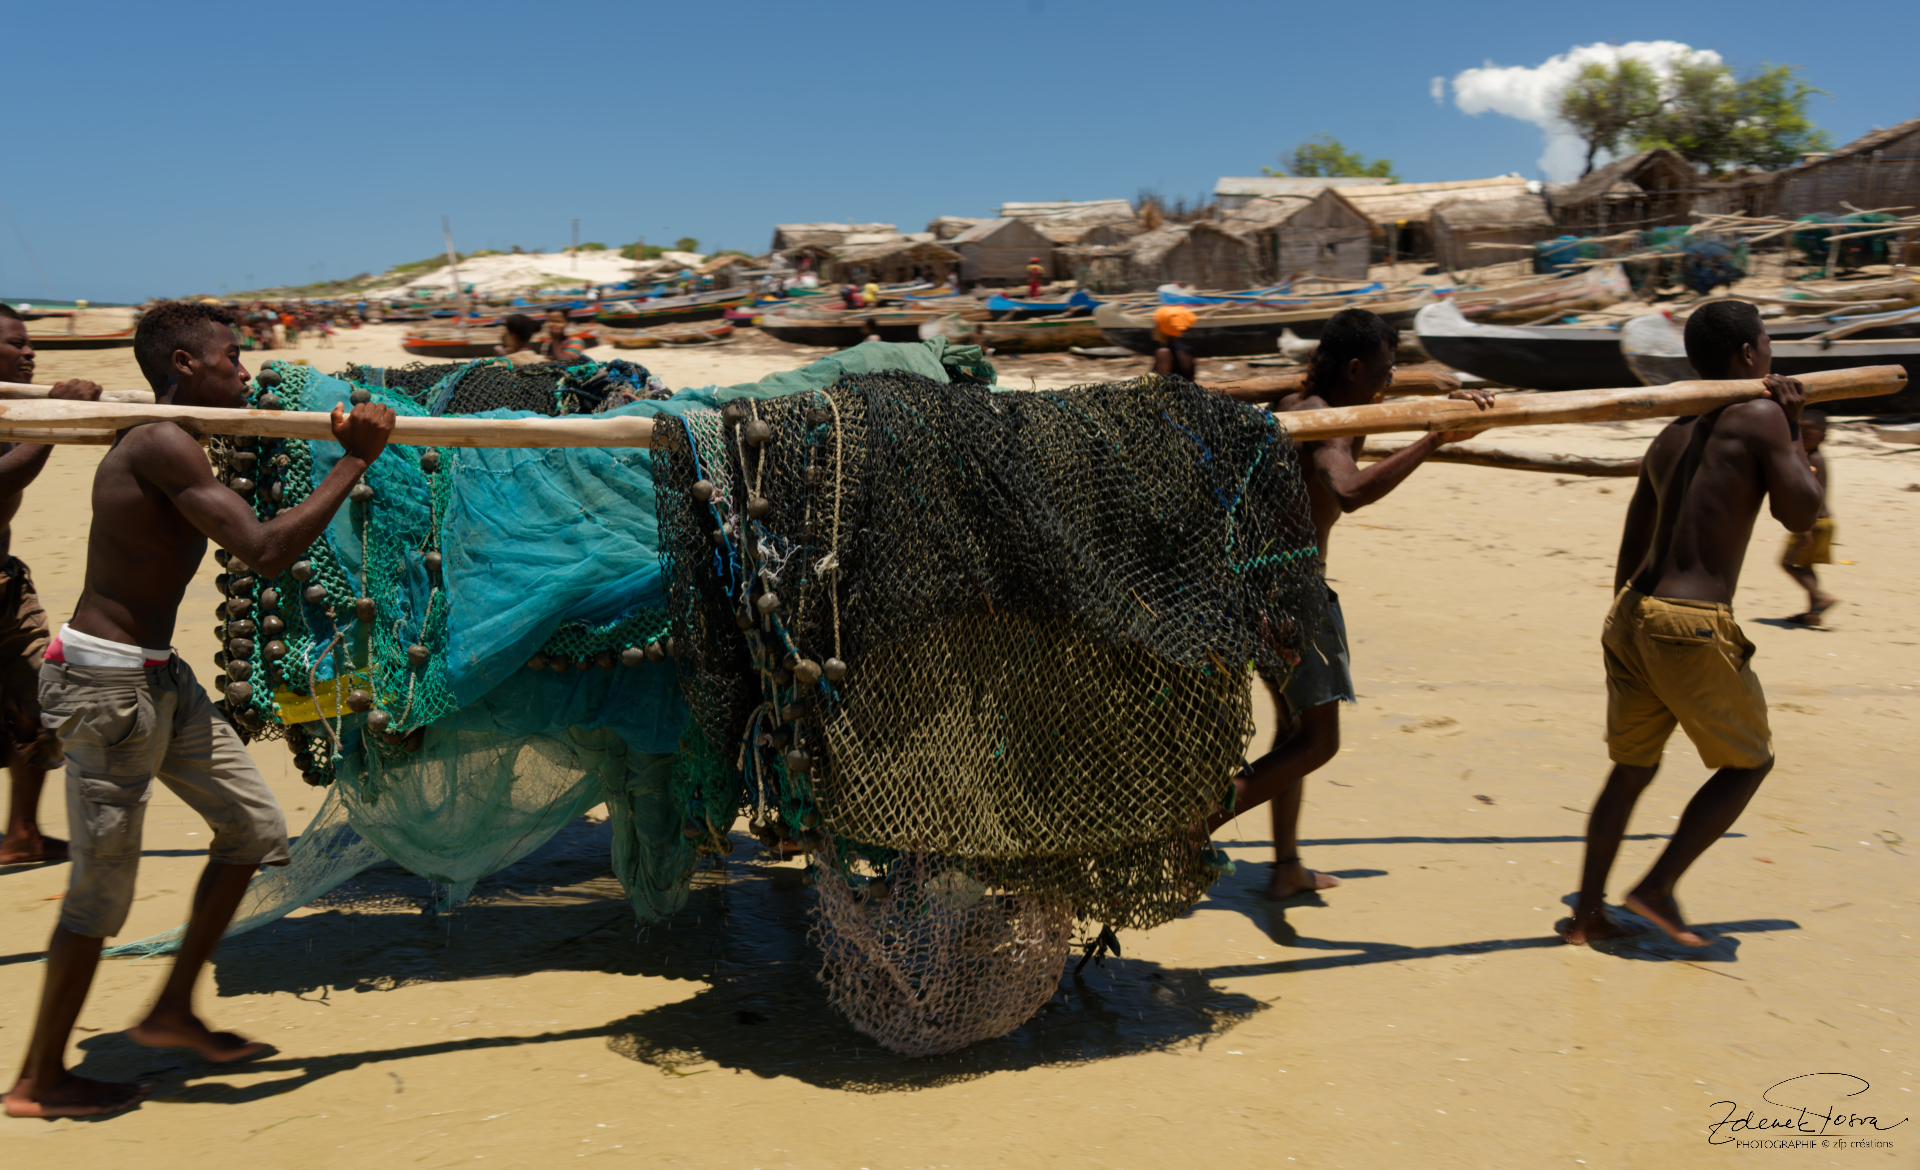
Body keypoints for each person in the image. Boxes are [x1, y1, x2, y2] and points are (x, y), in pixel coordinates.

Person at [3, 302, 394, 1118]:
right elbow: (264, 550)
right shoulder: (161, 443)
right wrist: (352, 461)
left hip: (158, 677)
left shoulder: (167, 432)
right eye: (233, 359)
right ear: (183, 364)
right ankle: (38, 1080)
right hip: (106, 687)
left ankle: (172, 1010)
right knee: (99, 896)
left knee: (254, 829)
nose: (245, 374)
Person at [1205, 308, 1491, 899]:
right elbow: (1350, 491)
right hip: (1294, 596)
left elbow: (1363, 400)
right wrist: (1435, 439)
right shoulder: (1328, 421)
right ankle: (1198, 822)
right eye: (1382, 373)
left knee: (1292, 732)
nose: (1387, 384)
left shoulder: (1293, 403)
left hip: (1252, 589)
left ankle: (1286, 866)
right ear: (1354, 368)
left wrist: (1426, 384)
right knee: (1320, 742)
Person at [1562, 300, 1823, 948]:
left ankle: (1586, 915)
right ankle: (1655, 888)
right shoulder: (1761, 417)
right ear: (1746, 356)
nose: (1771, 353)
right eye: (1768, 342)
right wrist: (1792, 428)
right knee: (1748, 764)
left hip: (1631, 615)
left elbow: (1633, 537)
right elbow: (1801, 513)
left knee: (1631, 769)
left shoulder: (1673, 431)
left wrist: (1622, 623)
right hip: (1690, 621)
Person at [0, 306, 103, 866]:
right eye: (17, 345)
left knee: (37, 701)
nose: (29, 353)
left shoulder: (12, 407)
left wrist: (56, 408)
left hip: (6, 587)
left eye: (30, 343)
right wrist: (63, 419)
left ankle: (22, 835)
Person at [1778, 408, 1837, 625]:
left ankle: (1821, 597)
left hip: (1814, 522)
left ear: (1823, 437)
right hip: (1823, 521)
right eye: (1797, 434)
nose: (1801, 439)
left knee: (1788, 564)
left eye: (1808, 435)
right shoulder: (1808, 457)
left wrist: (1805, 529)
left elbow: (1815, 495)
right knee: (1805, 567)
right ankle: (1813, 613)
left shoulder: (1813, 460)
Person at [1151, 304, 1198, 380]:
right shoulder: (1188, 350)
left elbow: (1161, 385)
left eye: (1157, 323)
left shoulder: (1164, 353)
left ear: (1162, 328)